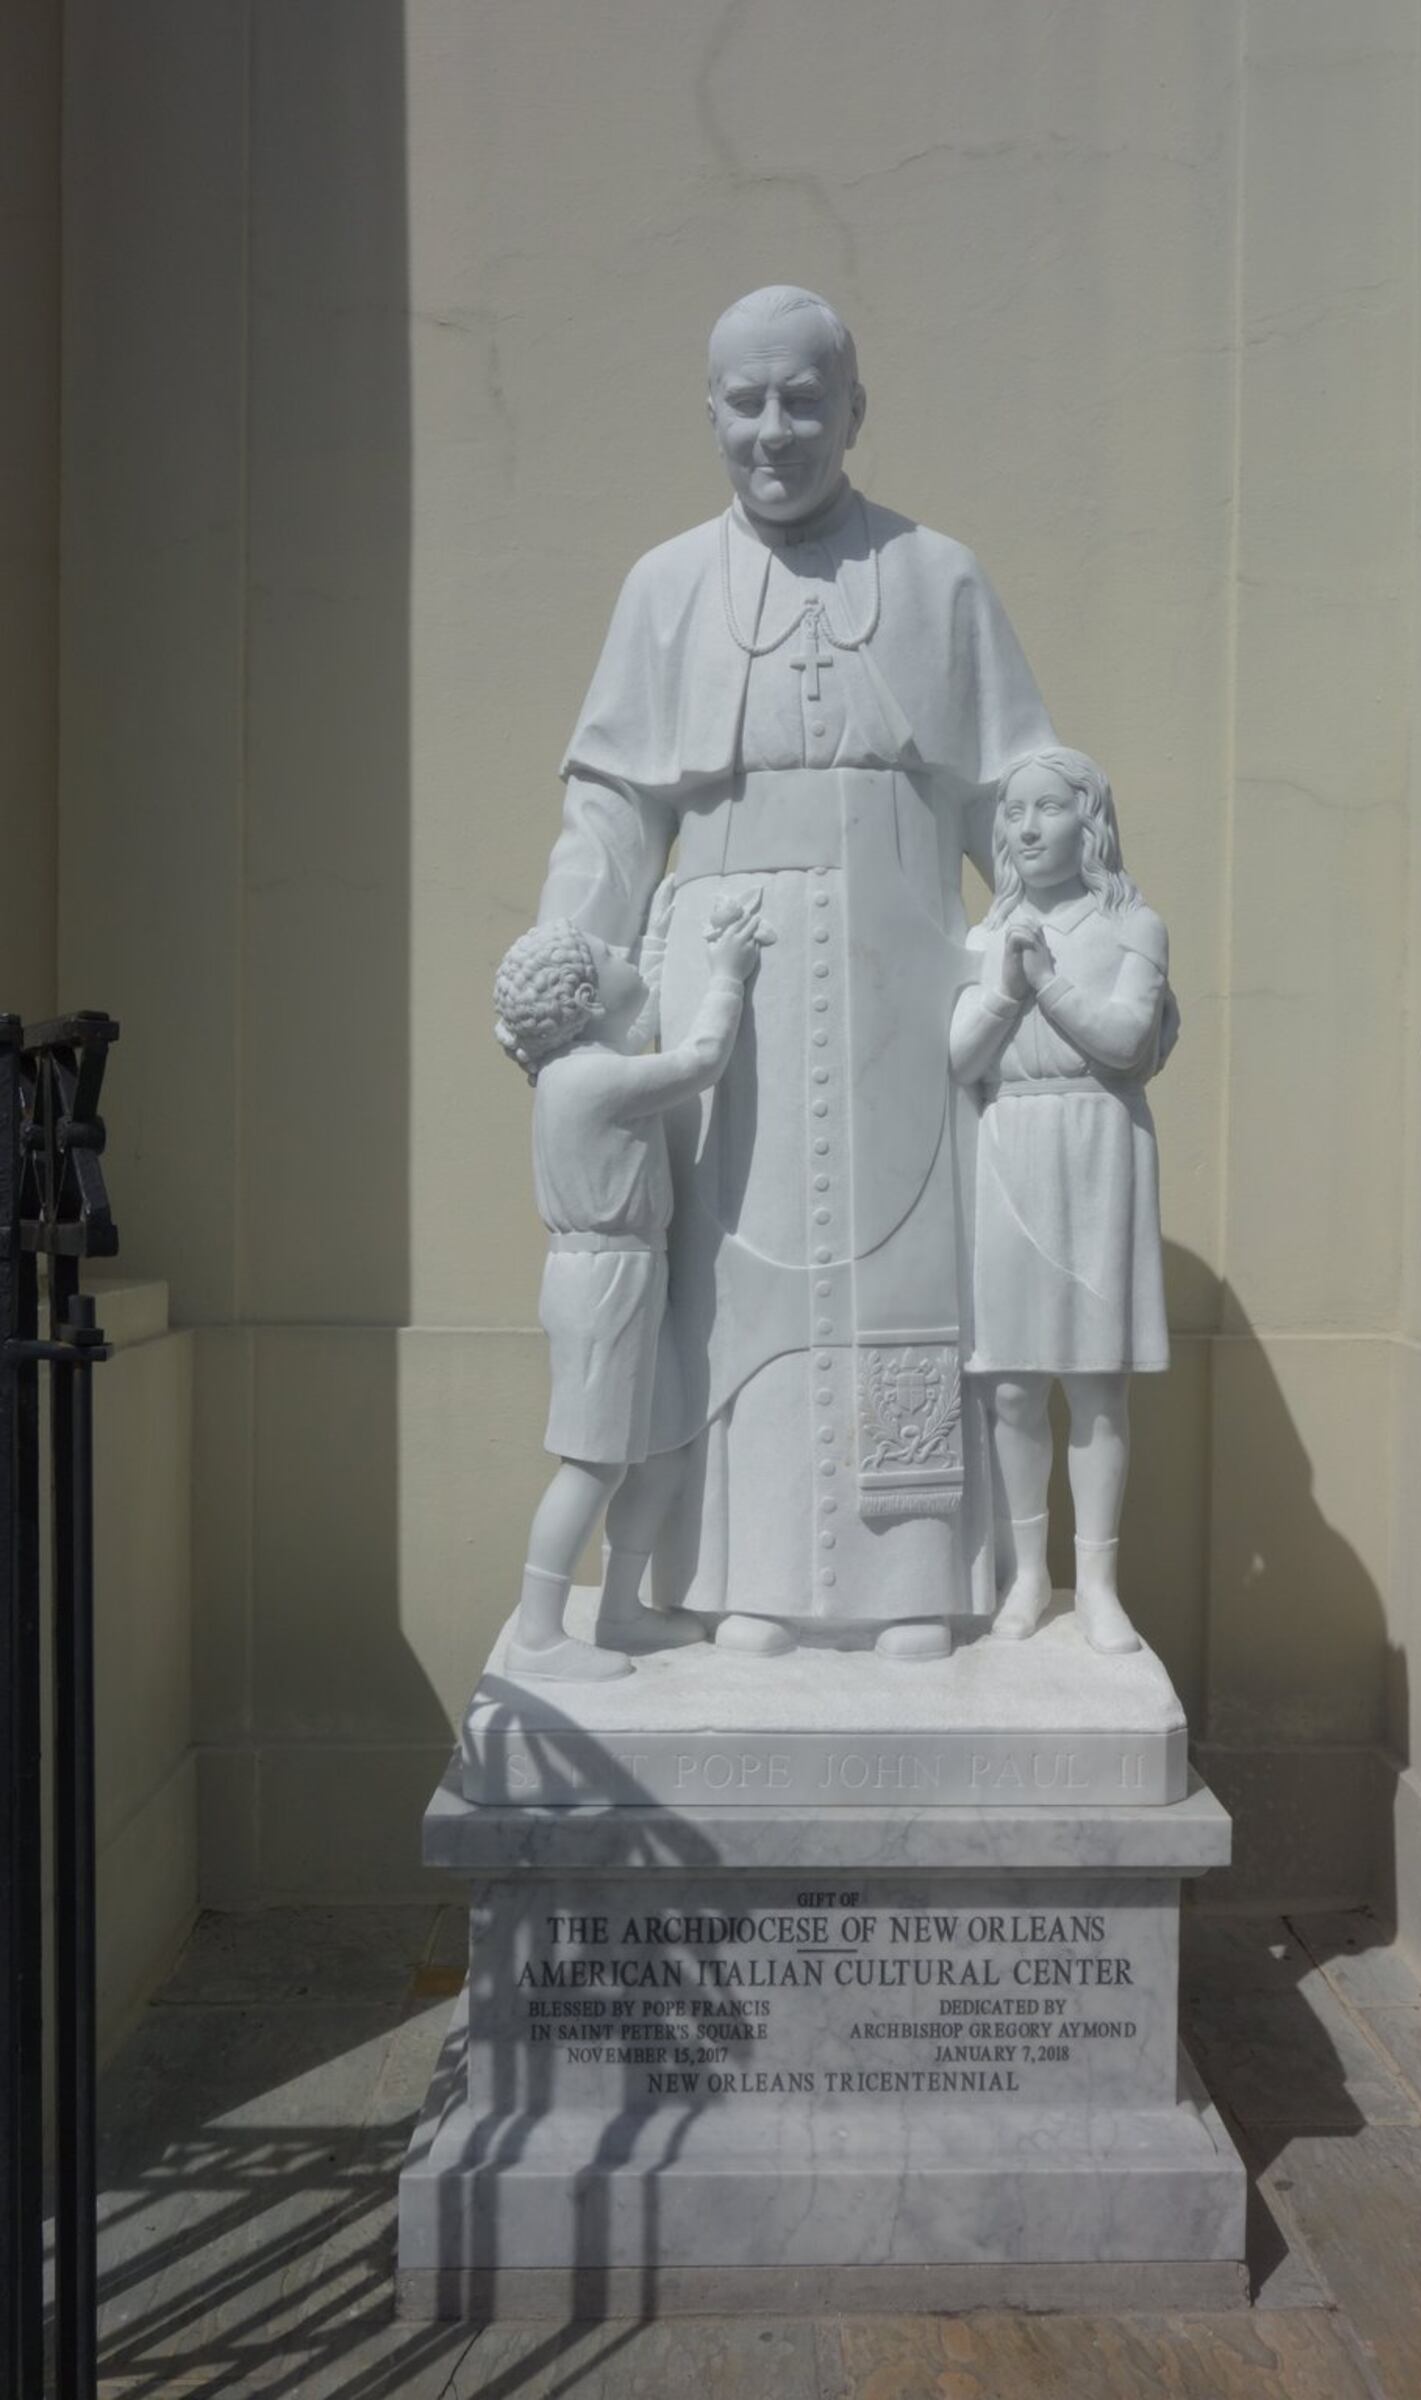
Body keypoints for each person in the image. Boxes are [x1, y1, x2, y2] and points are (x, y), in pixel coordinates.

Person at [536, 285, 1056, 1659]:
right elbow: (611, 808)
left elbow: (1021, 800)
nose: (776, 431)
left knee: (901, 1271)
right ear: (711, 411)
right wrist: (564, 966)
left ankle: (910, 1588)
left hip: (899, 974)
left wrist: (1071, 936)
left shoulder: (939, 578)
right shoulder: (664, 587)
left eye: (804, 400)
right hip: (734, 989)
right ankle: (740, 1579)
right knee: (739, 1283)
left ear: (855, 410)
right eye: (747, 402)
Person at [492, 891, 765, 1679]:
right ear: (582, 1001)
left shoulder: (589, 1063)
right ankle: (540, 1633)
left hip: (635, 1273)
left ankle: (620, 1608)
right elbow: (698, 1060)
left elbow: (636, 1017)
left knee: (666, 1447)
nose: (625, 960)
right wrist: (726, 974)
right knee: (593, 1461)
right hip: (601, 1282)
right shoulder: (587, 1081)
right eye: (609, 958)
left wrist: (661, 926)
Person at [949, 748, 1177, 1652]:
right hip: (1011, 1142)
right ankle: (1026, 1576)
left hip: (1098, 1146)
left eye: (1048, 808)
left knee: (1095, 1380)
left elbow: (1126, 1041)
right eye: (1013, 812)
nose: (1026, 827)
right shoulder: (983, 936)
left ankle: (1098, 1584)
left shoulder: (1133, 927)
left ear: (1091, 822)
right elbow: (961, 1061)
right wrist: (1007, 987)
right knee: (1010, 1385)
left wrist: (1045, 980)